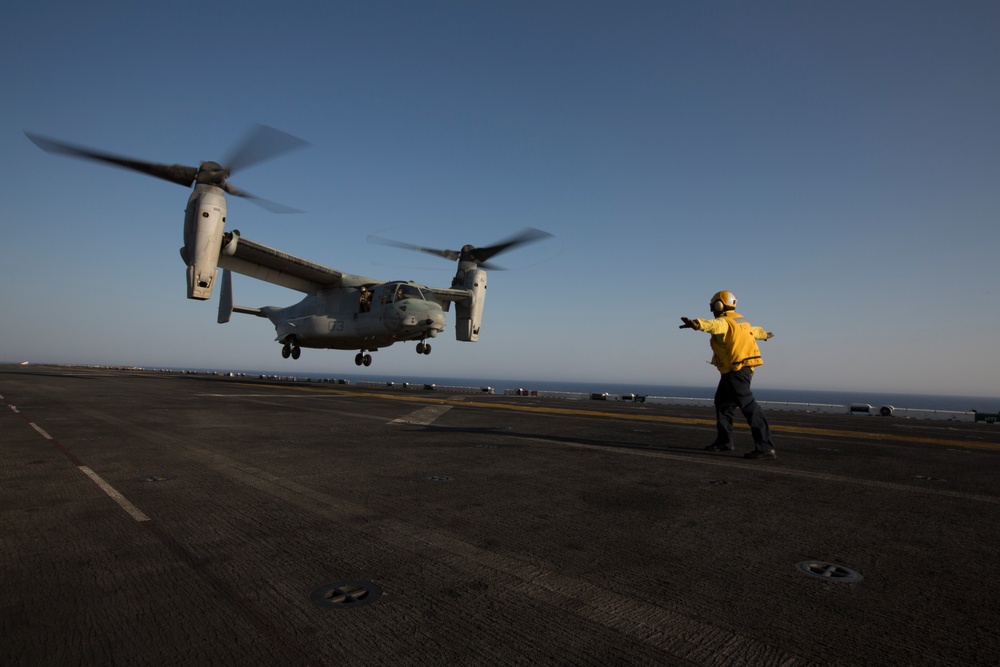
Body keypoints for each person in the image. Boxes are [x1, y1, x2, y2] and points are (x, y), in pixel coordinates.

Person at [680, 290, 777, 460]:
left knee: (749, 406)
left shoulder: (724, 322)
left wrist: (696, 324)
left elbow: (712, 325)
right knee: (723, 403)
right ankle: (724, 442)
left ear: (720, 305)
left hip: (737, 370)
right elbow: (755, 331)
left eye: (713, 306)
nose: (712, 310)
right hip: (737, 370)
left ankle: (765, 446)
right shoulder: (741, 321)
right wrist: (765, 335)